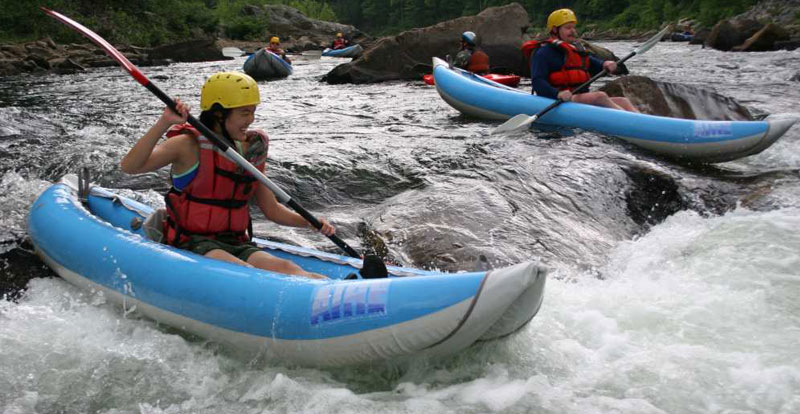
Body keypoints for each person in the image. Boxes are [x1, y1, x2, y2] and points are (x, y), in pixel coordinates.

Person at [120, 71, 332, 279]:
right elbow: (130, 167)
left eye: (253, 112)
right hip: (193, 241)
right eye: (244, 113)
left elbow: (272, 210)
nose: (251, 119)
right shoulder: (187, 144)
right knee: (244, 273)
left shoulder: (250, 150)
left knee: (288, 268)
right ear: (219, 113)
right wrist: (164, 122)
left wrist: (310, 223)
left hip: (236, 241)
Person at [523, 9, 638, 112]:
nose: (573, 31)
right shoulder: (543, 52)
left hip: (578, 97)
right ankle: (634, 126)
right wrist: (557, 93)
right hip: (560, 99)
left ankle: (642, 121)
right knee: (599, 96)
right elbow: (538, 82)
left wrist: (604, 64)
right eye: (568, 28)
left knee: (623, 101)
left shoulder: (574, 50)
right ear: (554, 30)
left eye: (573, 27)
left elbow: (590, 62)